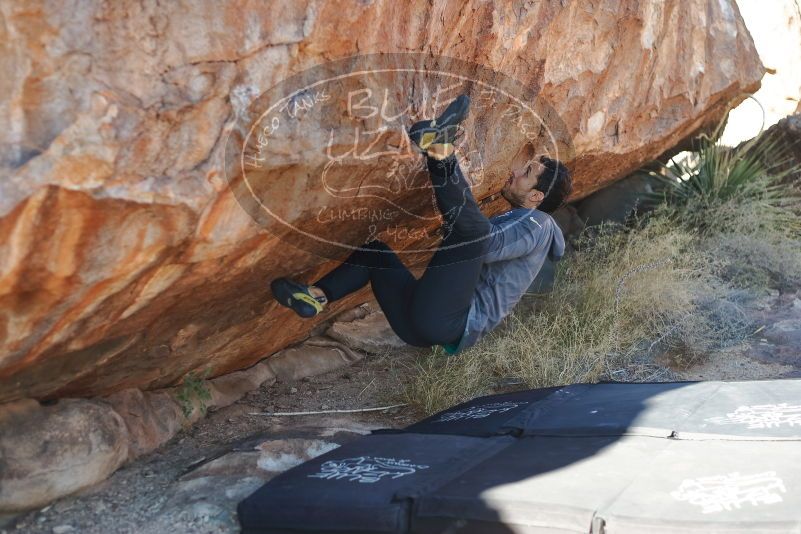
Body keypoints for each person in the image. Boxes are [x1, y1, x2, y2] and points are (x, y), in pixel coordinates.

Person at [271, 94, 572, 355]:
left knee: (474, 233)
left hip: (448, 321)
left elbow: (481, 242)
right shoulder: (522, 220)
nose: (516, 171)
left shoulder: (539, 224)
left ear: (535, 195)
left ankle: (441, 151)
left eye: (527, 172)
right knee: (376, 256)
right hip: (419, 325)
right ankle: (316, 296)